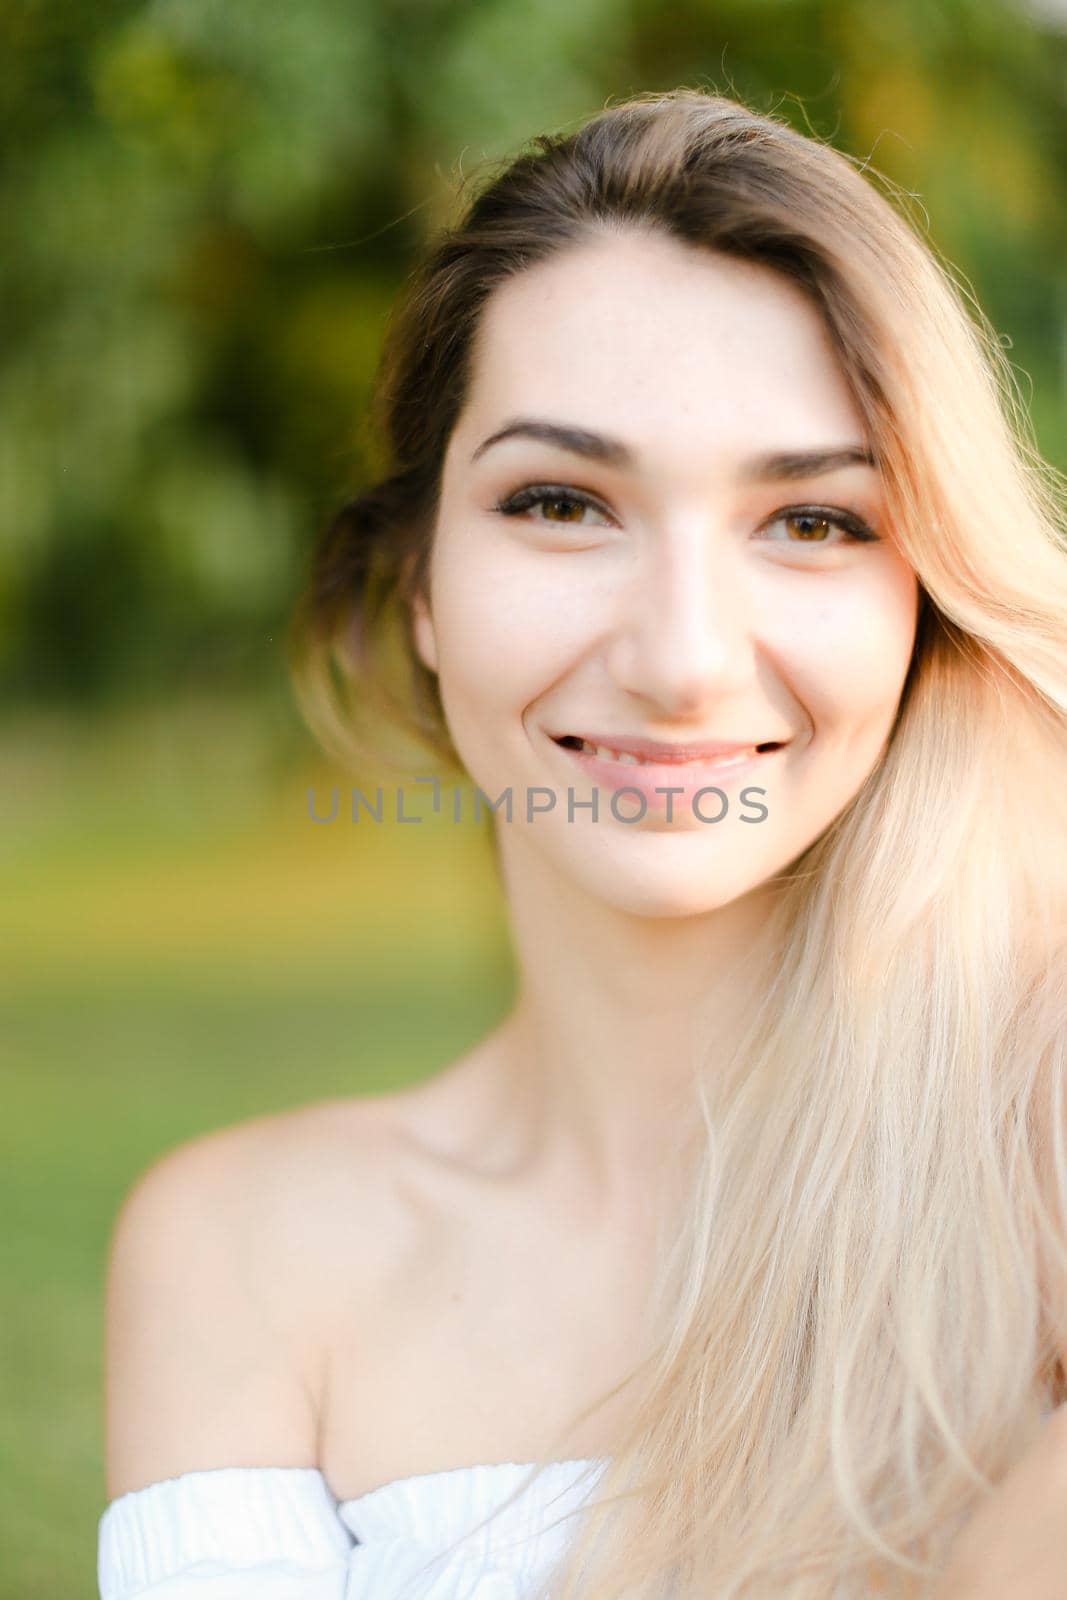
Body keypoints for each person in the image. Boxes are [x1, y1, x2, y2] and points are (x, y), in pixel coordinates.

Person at [97, 87, 1067, 1599]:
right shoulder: (240, 1257)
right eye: (563, 502)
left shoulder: (1038, 1154)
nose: (683, 659)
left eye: (812, 521)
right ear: (420, 583)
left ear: (926, 590)